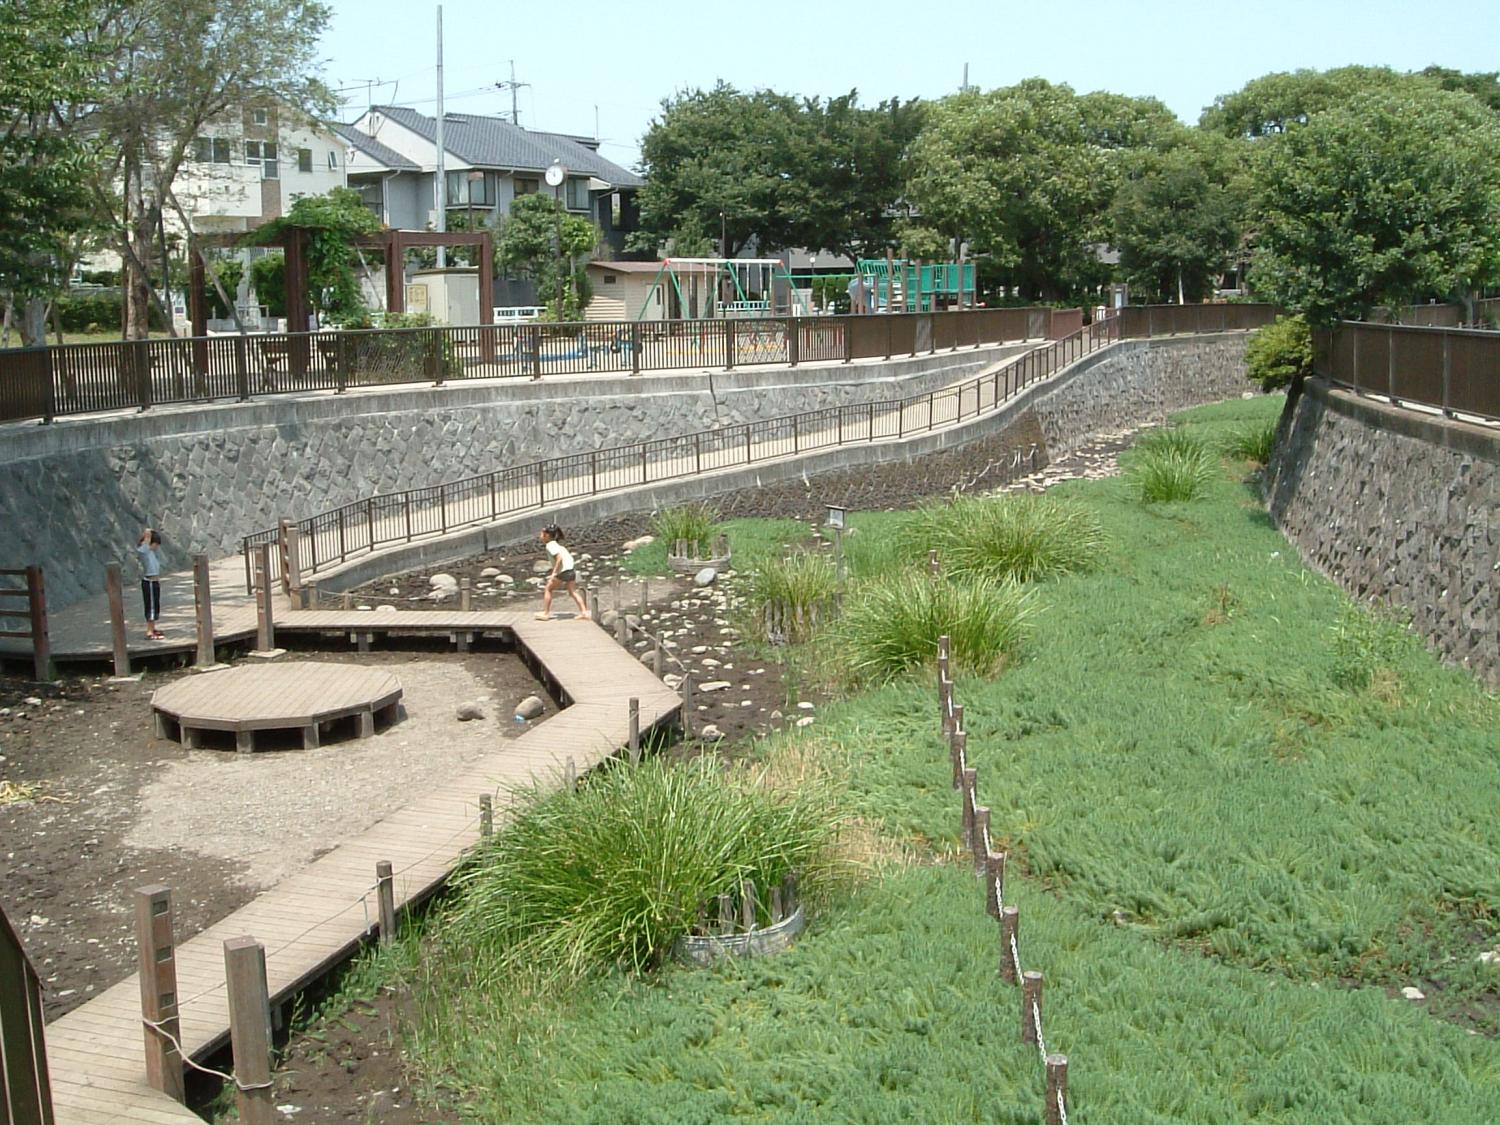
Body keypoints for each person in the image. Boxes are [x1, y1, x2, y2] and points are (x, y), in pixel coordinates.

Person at [535, 523, 590, 621]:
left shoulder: (550, 545)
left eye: (541, 534)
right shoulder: (558, 545)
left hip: (563, 571)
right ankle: (584, 612)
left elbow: (559, 558)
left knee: (548, 589)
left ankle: (545, 613)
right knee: (573, 591)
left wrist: (554, 573)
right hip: (571, 569)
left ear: (546, 535)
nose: (540, 536)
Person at [136, 527, 164, 640]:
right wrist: (149, 533)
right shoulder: (144, 551)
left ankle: (153, 628)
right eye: (155, 544)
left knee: (155, 606)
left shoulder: (151, 553)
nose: (156, 546)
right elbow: (147, 535)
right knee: (151, 607)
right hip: (149, 583)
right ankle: (149, 631)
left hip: (155, 582)